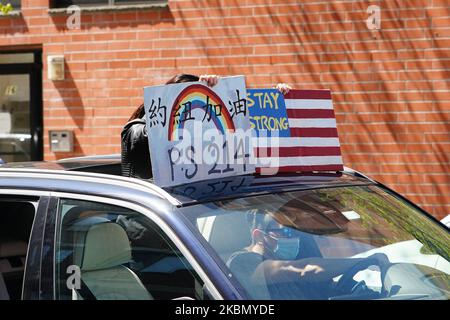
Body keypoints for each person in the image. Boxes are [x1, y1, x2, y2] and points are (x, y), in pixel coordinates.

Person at [121, 74, 292, 179]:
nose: (196, 109)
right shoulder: (136, 131)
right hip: (146, 225)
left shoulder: (203, 136)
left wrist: (276, 101)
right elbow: (159, 136)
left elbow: (244, 131)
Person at [226, 210, 388, 299]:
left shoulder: (289, 256)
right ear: (259, 236)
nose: (294, 238)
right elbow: (303, 269)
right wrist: (363, 261)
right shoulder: (241, 262)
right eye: (286, 232)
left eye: (296, 232)